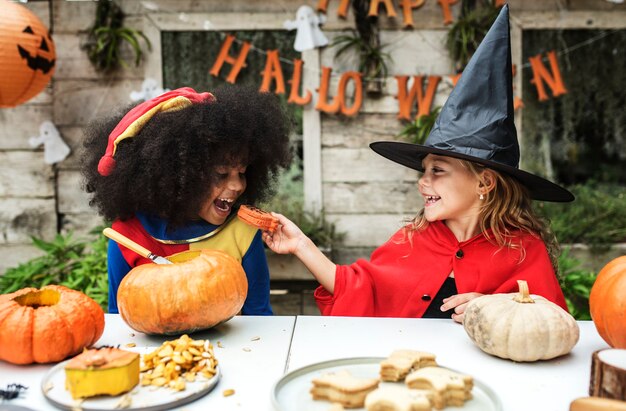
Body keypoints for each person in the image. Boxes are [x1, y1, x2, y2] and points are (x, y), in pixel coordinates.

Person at [262, 5, 573, 323]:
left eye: (437, 170)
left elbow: (549, 324)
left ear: (484, 183)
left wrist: (494, 308)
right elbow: (359, 287)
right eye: (423, 171)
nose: (423, 182)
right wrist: (302, 244)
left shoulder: (524, 249)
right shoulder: (412, 239)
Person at [81, 85, 292, 315]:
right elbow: (119, 319)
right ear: (177, 177)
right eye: (221, 174)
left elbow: (260, 318)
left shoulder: (243, 233)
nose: (238, 185)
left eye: (241, 173)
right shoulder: (127, 236)